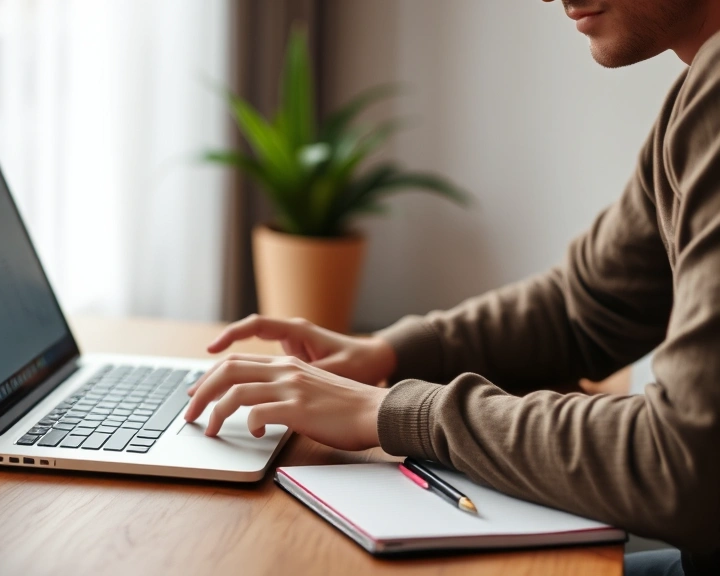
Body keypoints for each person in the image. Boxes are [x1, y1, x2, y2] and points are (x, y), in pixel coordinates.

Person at [183, 1, 720, 574]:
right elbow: (584, 307)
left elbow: (683, 462)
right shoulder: (696, 92)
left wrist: (397, 413)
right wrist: (389, 353)